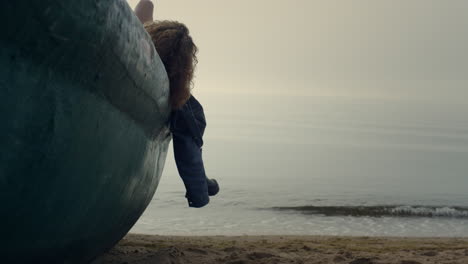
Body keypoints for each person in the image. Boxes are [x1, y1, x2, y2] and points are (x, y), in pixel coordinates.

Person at [135, 0, 219, 208]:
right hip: (175, 95)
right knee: (191, 120)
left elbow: (145, 8)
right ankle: (200, 188)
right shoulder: (174, 87)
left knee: (190, 117)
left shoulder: (142, 42)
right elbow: (186, 150)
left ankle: (201, 185)